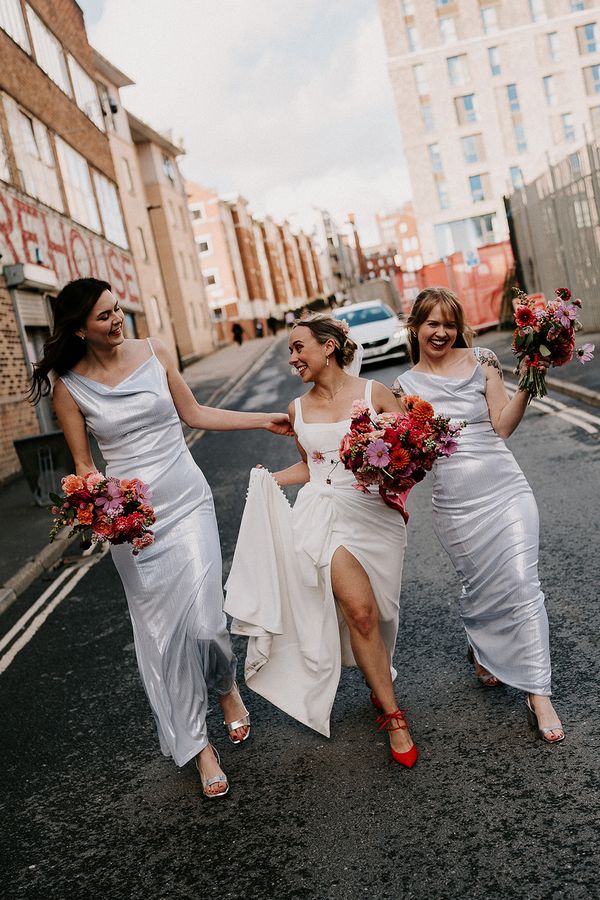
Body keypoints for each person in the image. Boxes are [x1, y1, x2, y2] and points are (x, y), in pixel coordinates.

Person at [29, 278, 293, 798]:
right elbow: (85, 469)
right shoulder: (69, 386)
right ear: (80, 328)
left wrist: (264, 419)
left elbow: (194, 415)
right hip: (136, 527)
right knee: (163, 637)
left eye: (118, 308)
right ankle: (199, 749)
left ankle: (224, 687)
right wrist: (112, 517)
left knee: (205, 622)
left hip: (187, 502)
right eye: (104, 316)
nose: (117, 319)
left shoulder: (155, 352)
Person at [228, 314, 418, 767]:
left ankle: (378, 682)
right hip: (323, 515)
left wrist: (400, 466)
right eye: (290, 352)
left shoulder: (375, 395)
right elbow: (312, 468)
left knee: (381, 613)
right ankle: (393, 716)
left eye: (298, 348)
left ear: (328, 347)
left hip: (374, 515)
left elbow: (411, 451)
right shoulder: (297, 409)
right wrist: (269, 481)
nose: (293, 359)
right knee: (360, 610)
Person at [393, 287, 564, 744]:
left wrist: (529, 382)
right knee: (482, 586)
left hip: (506, 488)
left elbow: (502, 425)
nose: (442, 332)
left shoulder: (483, 360)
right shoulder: (403, 388)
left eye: (450, 324)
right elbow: (412, 461)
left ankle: (537, 691)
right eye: (433, 323)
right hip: (454, 503)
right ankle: (483, 645)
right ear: (416, 326)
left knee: (525, 583)